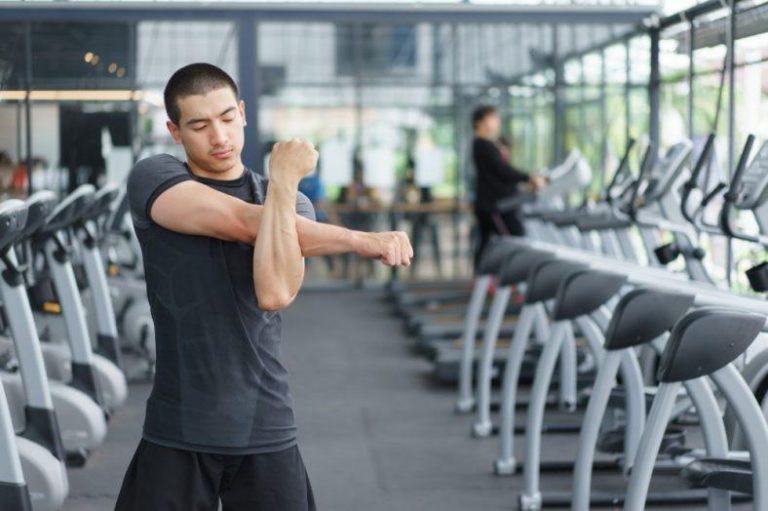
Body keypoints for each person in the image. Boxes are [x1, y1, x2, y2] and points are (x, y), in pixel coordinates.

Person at [115, 63, 413, 511]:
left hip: (263, 419)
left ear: (242, 112)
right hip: (179, 425)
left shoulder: (293, 203)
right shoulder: (154, 178)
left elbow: (274, 293)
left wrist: (285, 184)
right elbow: (241, 220)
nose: (219, 137)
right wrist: (358, 239)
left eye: (226, 118)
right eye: (199, 125)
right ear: (174, 132)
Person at [471, 104, 545, 267]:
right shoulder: (482, 145)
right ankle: (497, 275)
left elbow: (500, 173)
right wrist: (528, 177)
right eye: (493, 118)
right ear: (481, 122)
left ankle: (486, 276)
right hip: (494, 206)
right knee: (514, 239)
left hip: (492, 203)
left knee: (488, 242)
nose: (497, 121)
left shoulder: (487, 144)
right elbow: (503, 170)